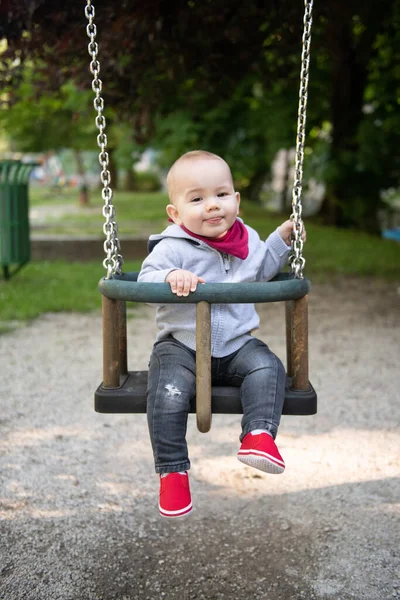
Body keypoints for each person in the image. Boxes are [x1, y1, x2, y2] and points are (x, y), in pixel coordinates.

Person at [138, 150, 306, 518]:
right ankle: (173, 473)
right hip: (181, 348)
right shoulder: (171, 248)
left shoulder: (246, 241)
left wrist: (281, 238)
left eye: (221, 195)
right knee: (166, 392)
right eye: (197, 199)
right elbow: (146, 277)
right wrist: (170, 277)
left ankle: (258, 436)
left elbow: (262, 268)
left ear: (236, 199)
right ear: (175, 213)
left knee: (267, 367)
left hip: (236, 345)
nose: (212, 206)